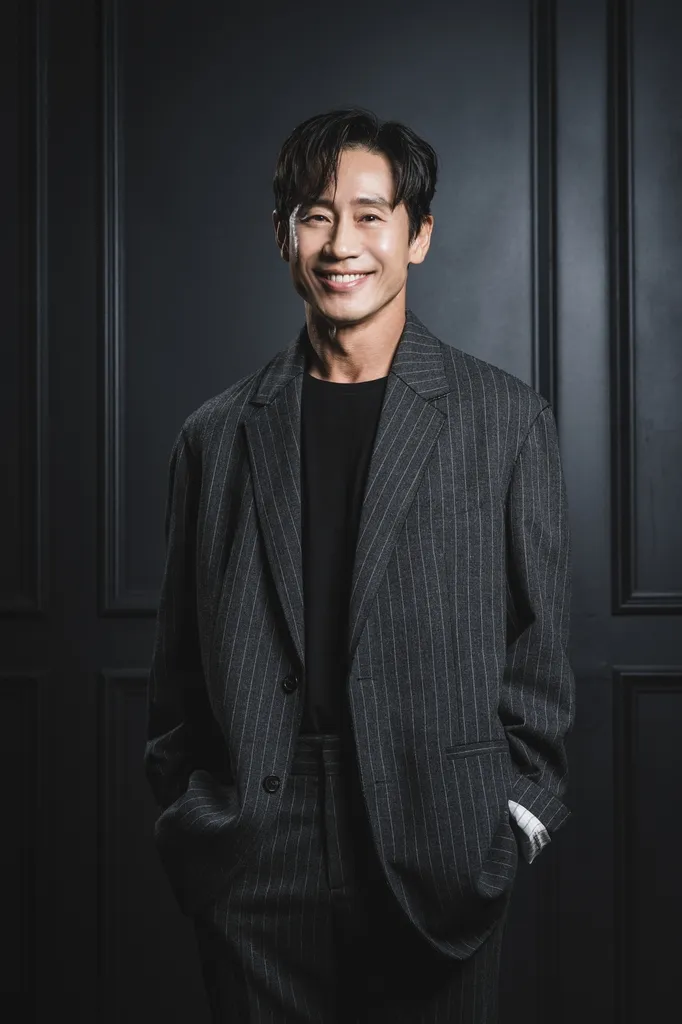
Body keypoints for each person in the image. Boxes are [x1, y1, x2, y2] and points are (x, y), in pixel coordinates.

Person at [144, 107, 575, 1023]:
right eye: (316, 215)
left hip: (442, 840)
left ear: (418, 236)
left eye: (370, 215)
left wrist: (516, 820)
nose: (342, 244)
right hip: (258, 844)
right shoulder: (214, 437)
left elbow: (538, 655)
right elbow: (175, 673)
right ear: (283, 236)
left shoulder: (506, 421)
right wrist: (193, 820)